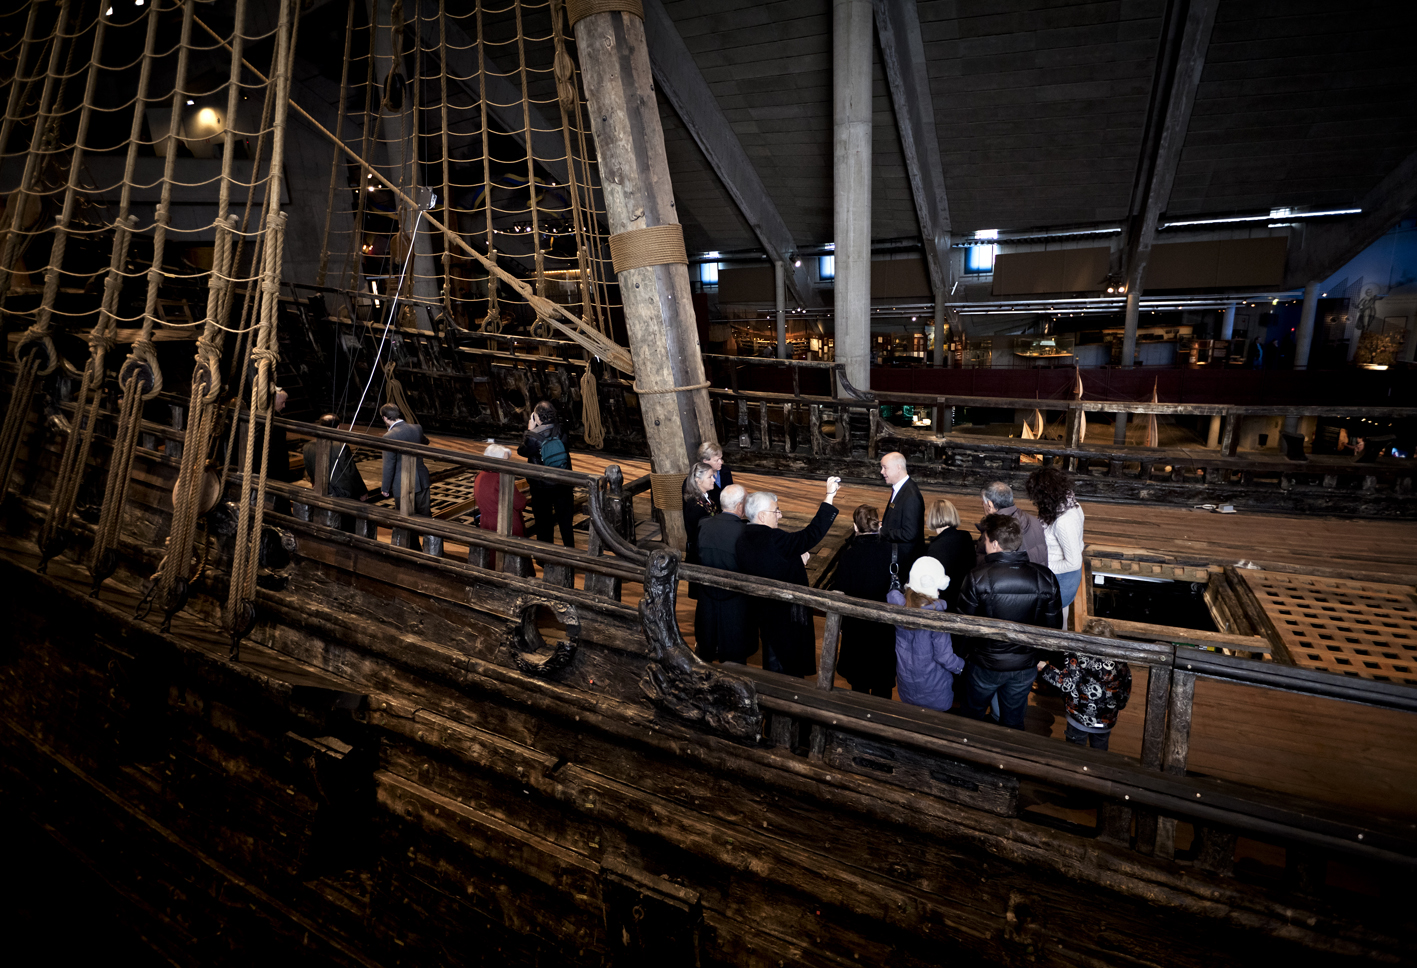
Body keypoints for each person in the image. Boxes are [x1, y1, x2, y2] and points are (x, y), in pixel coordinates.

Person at [956, 513, 1063, 730]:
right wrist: (1040, 657)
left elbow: (962, 627)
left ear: (994, 544)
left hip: (984, 663)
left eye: (984, 540)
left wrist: (962, 656)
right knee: (1013, 720)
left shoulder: (977, 577)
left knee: (971, 716)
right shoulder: (1045, 577)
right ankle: (1009, 760)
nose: (983, 544)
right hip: (1025, 665)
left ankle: (967, 756)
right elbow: (1053, 627)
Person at [736, 477, 841, 677]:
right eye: (776, 511)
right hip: (786, 613)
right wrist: (829, 496)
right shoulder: (775, 539)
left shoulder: (743, 538)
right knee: (787, 663)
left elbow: (769, 565)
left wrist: (793, 560)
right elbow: (811, 534)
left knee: (772, 655)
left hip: (762, 610)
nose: (780, 515)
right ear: (761, 515)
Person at [828, 505, 897, 697]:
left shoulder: (848, 556)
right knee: (883, 685)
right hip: (884, 626)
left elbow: (841, 591)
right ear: (878, 525)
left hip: (856, 627)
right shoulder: (892, 551)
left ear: (855, 527)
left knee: (858, 685)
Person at [1037, 618, 1132, 751]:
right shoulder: (1120, 663)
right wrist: (1120, 706)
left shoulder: (1076, 657)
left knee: (1074, 750)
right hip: (1106, 719)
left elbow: (1067, 683)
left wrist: (1046, 669)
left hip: (1078, 717)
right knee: (1100, 750)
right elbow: (1125, 689)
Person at [887, 556, 965, 712]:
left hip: (906, 682)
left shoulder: (899, 606)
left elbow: (893, 594)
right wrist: (962, 667)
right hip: (934, 688)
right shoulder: (937, 616)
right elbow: (944, 656)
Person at [694, 484, 751, 663]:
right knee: (735, 657)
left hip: (707, 596)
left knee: (706, 651)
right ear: (740, 506)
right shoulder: (744, 532)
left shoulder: (704, 524)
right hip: (736, 600)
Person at [1026, 465, 1085, 628]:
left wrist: (1042, 564)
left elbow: (1073, 562)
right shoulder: (1070, 503)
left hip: (1061, 577)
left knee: (1052, 621)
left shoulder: (1064, 522)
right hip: (1061, 575)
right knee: (1061, 618)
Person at [518, 400, 575, 548]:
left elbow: (522, 451)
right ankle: (571, 552)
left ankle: (545, 557)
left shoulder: (532, 437)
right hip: (563, 482)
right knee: (566, 521)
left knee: (543, 522)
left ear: (536, 417)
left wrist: (529, 430)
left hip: (541, 486)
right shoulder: (562, 430)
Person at [379, 403, 432, 552]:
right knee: (426, 516)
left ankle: (413, 550)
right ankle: (431, 549)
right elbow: (425, 442)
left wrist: (385, 488)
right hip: (421, 479)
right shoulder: (417, 428)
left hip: (402, 483)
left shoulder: (389, 436)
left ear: (385, 418)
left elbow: (389, 464)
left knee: (405, 517)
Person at [302, 414, 368, 531]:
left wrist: (315, 482)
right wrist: (362, 491)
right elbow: (350, 472)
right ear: (338, 427)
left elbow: (309, 468)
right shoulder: (341, 447)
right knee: (348, 523)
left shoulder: (308, 446)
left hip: (321, 488)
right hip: (342, 493)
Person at [474, 442, 527, 568]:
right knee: (511, 562)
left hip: (486, 521)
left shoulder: (479, 476)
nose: (508, 464)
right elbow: (519, 503)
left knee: (491, 559)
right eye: (505, 460)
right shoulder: (501, 477)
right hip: (505, 523)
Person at [976, 481, 1047, 567]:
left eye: (983, 502)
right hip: (1035, 576)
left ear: (990, 505)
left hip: (1007, 577)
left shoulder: (995, 529)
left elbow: (986, 564)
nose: (982, 505)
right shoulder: (1033, 519)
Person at [925, 499, 974, 614]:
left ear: (932, 517)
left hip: (945, 604)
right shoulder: (966, 536)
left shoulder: (936, 546)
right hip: (966, 600)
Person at [878, 451, 925, 573]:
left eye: (885, 467)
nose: (882, 472)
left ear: (898, 467)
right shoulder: (901, 489)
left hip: (904, 561)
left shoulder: (911, 496)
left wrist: (883, 531)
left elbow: (910, 533)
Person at [681, 461, 716, 599]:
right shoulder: (695, 507)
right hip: (700, 554)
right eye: (710, 477)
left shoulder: (704, 499)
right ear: (698, 480)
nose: (714, 479)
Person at [698, 441, 734, 511]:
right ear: (705, 462)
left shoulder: (725, 471)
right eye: (717, 460)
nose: (721, 462)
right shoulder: (698, 479)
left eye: (721, 458)